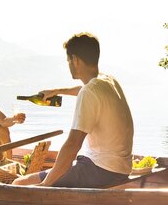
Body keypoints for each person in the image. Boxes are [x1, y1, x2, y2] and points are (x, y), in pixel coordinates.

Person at [13, 33, 133, 188]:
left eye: (68, 60)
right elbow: (85, 89)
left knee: (19, 183)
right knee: (54, 171)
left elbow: (73, 145)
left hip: (99, 170)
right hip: (120, 169)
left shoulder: (89, 92)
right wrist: (57, 91)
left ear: (75, 60)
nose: (69, 64)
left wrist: (46, 184)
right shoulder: (109, 81)